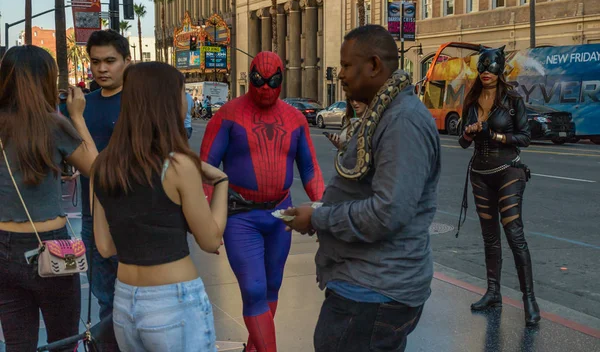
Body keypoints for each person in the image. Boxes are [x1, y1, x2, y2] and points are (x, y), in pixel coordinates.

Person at [283, 25, 441, 352]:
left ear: (373, 65)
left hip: (375, 290)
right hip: (367, 285)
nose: (339, 74)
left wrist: (319, 218)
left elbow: (387, 212)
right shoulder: (388, 113)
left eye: (346, 65)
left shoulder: (402, 121)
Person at [91, 62, 228, 351]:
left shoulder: (104, 164)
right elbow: (211, 239)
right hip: (174, 299)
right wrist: (222, 182)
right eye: (182, 94)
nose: (186, 102)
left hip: (125, 301)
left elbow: (104, 246)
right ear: (166, 102)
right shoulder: (178, 165)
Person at [200, 51, 325, 352]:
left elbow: (309, 168)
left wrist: (323, 208)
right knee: (254, 288)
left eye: (273, 81)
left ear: (282, 78)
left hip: (281, 213)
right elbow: (206, 165)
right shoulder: (228, 115)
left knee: (271, 286)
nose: (266, 87)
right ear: (250, 76)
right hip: (240, 215)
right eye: (259, 80)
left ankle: (255, 347)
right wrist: (208, 222)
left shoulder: (295, 119)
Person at [0, 45, 98, 351]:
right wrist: (78, 117)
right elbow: (97, 169)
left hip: (3, 244)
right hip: (52, 246)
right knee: (63, 340)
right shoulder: (53, 125)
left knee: (18, 344)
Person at [458, 46, 540, 326]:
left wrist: (492, 134)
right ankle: (493, 292)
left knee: (514, 234)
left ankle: (529, 299)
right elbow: (462, 141)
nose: (486, 73)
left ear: (499, 70)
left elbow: (525, 137)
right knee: (489, 237)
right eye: (482, 68)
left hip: (509, 172)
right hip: (480, 174)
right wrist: (469, 134)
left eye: (491, 68)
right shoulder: (471, 101)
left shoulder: (512, 99)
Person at [80, 30, 131, 323]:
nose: (101, 68)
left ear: (126, 60)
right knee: (106, 300)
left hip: (133, 214)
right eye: (95, 61)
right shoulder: (80, 106)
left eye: (110, 61)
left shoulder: (141, 103)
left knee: (138, 296)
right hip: (92, 215)